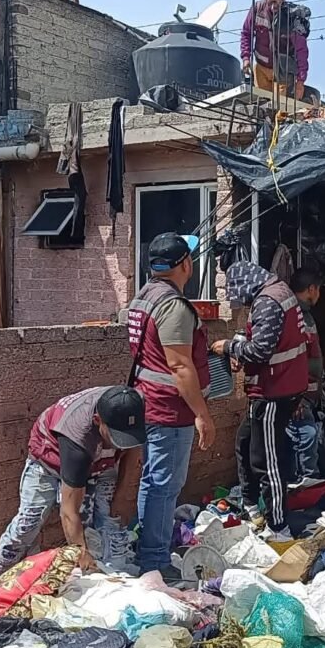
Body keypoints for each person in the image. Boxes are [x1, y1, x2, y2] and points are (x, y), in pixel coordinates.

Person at [127, 232, 214, 575]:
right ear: (185, 265)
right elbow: (179, 366)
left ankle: (149, 550)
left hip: (146, 401)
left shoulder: (143, 296)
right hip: (169, 409)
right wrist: (202, 414)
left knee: (153, 482)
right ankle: (155, 562)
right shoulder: (172, 306)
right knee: (165, 486)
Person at [0, 385, 146, 575]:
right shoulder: (77, 436)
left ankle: (117, 576)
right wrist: (81, 554)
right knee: (28, 523)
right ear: (98, 421)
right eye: (117, 438)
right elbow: (69, 512)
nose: (121, 444)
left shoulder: (131, 406)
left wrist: (122, 497)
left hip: (101, 465)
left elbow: (133, 451)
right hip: (50, 461)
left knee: (110, 521)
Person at [212, 261, 308, 539]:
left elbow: (260, 351)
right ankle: (251, 504)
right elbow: (262, 333)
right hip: (283, 385)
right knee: (244, 443)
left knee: (267, 460)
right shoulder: (278, 291)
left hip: (274, 392)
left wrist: (229, 347)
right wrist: (241, 341)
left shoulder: (268, 302)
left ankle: (278, 526)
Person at [240, 0, 309, 102]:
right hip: (261, 68)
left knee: (280, 108)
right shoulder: (257, 10)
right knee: (263, 106)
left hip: (282, 72)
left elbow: (301, 50)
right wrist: (246, 58)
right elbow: (246, 33)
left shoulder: (291, 17)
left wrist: (300, 80)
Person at [288, 268, 324, 480]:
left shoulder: (305, 315)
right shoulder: (294, 315)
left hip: (304, 394)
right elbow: (291, 357)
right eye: (318, 290)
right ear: (312, 289)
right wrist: (295, 396)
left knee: (306, 436)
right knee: (304, 437)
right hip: (298, 396)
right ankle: (304, 485)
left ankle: (306, 484)